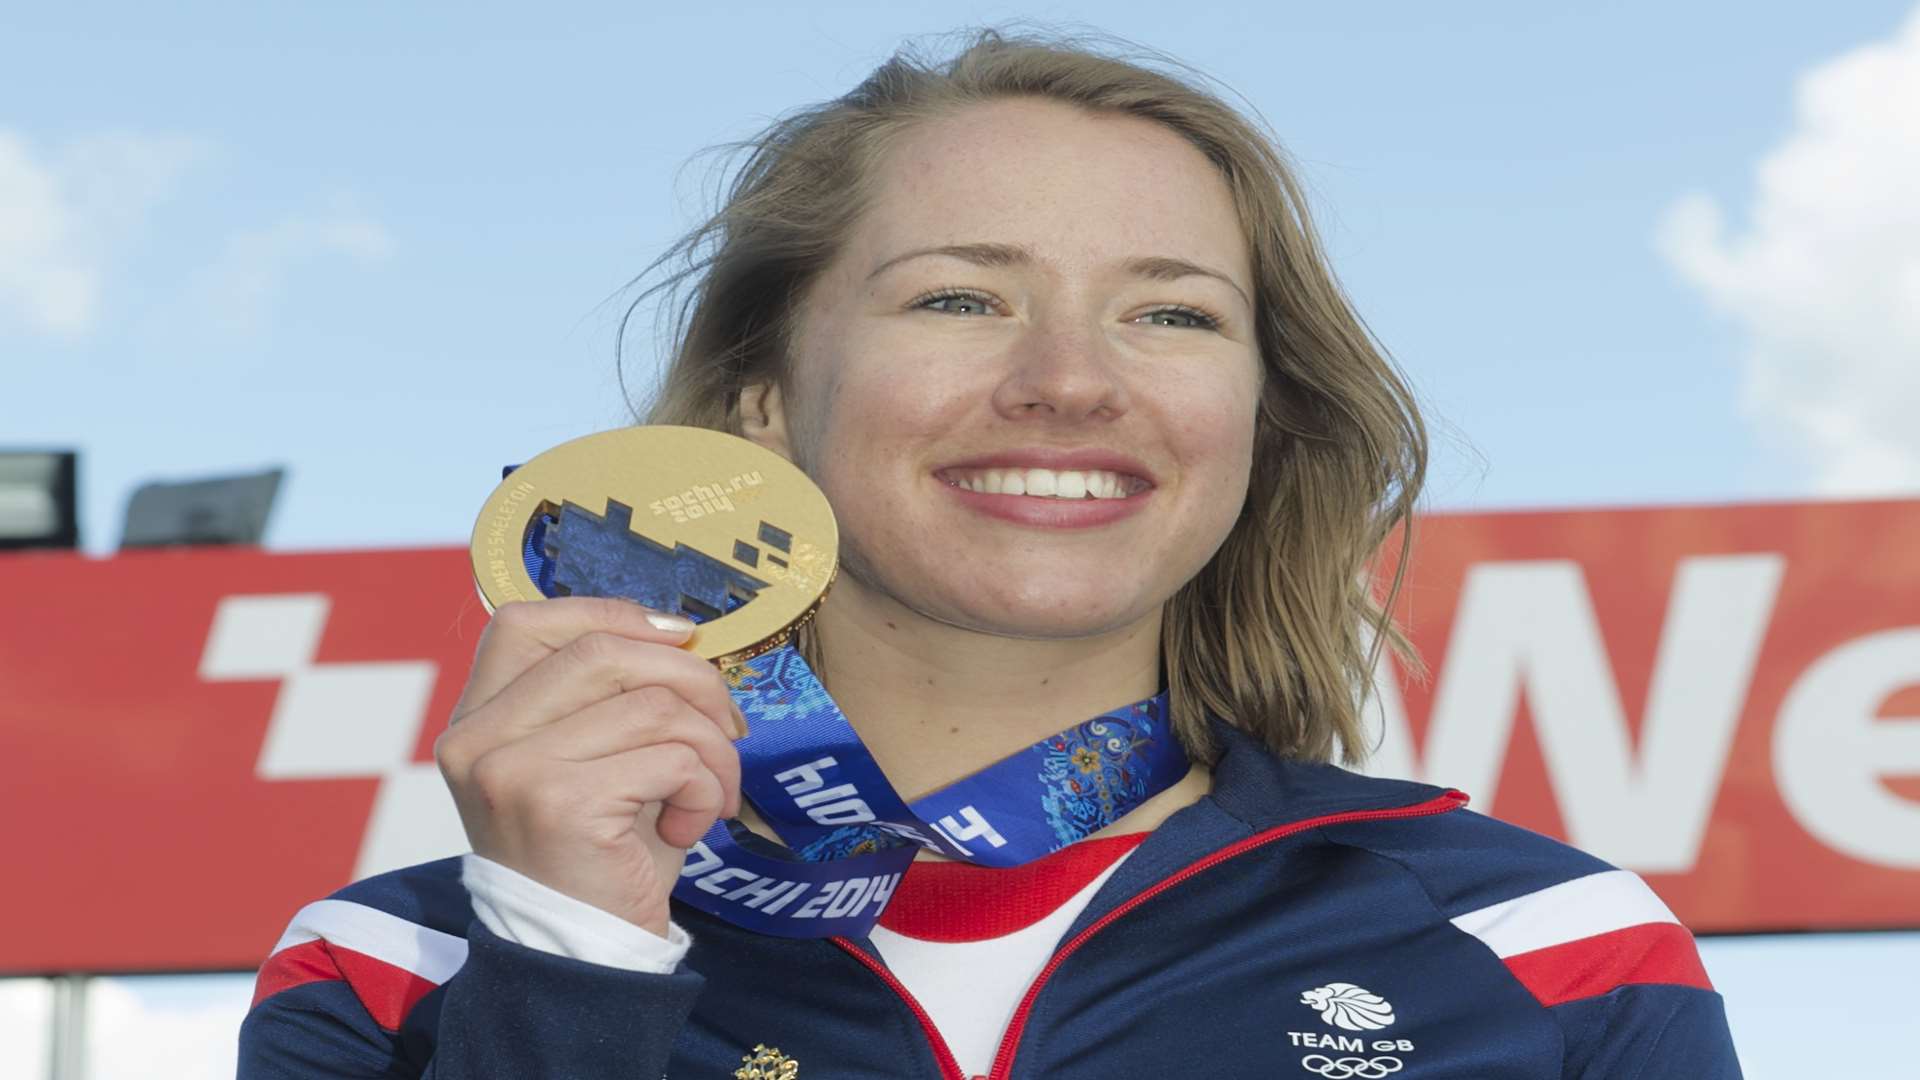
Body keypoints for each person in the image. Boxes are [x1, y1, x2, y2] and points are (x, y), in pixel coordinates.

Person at [239, 30, 1742, 1078]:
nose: (1074, 382)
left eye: (1174, 314)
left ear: (1261, 417)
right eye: (961, 299)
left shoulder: (1548, 946)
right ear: (766, 398)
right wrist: (569, 956)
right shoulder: (396, 970)